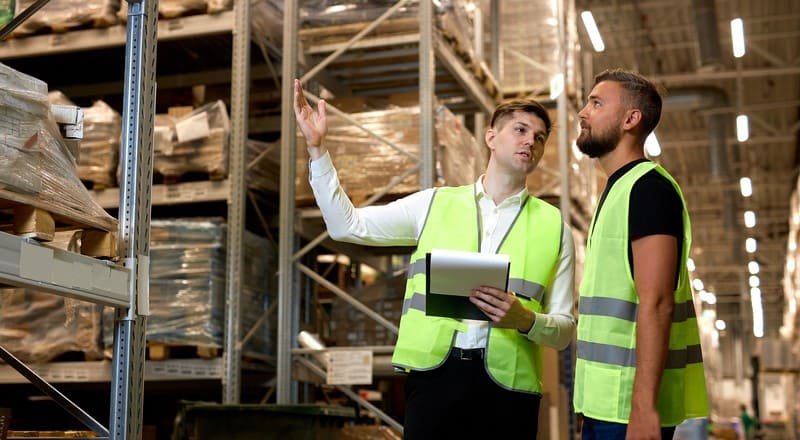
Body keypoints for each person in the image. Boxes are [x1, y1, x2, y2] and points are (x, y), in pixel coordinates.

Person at [293, 78, 576, 439]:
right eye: (520, 130)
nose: (530, 142)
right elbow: (347, 226)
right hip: (435, 378)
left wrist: (526, 319)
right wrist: (318, 151)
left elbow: (564, 330)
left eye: (539, 137)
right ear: (491, 137)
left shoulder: (555, 227)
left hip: (510, 389)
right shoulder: (434, 204)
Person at [572, 68, 709, 439]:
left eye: (596, 103)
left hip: (629, 409)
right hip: (605, 405)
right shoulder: (617, 191)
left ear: (631, 119)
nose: (583, 112)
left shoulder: (648, 189)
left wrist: (644, 407)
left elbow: (659, 301)